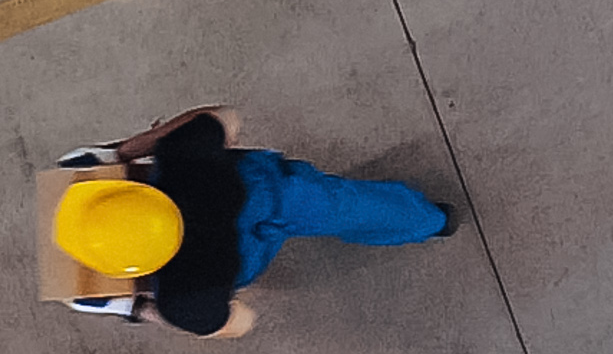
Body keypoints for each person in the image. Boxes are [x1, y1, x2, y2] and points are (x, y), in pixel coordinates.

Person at [48, 106, 454, 337]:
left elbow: (241, 322)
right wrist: (129, 149)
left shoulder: (184, 301)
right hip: (264, 190)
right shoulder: (182, 156)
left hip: (241, 259)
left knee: (327, 213)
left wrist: (142, 309)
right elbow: (225, 118)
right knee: (342, 205)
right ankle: (430, 220)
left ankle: (429, 222)